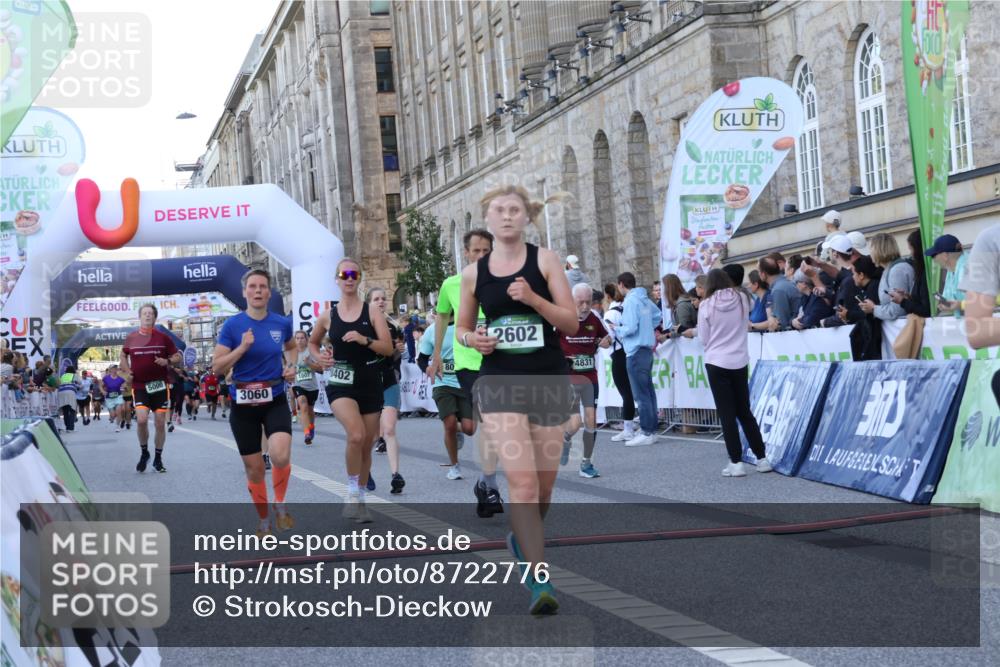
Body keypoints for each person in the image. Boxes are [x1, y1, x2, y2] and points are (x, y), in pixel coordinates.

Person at [455, 185, 577, 616]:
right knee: (522, 484)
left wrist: (533, 298)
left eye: (514, 209)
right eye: (498, 210)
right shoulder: (473, 274)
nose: (506, 216)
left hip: (547, 380)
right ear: (487, 219)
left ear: (526, 217)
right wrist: (475, 339)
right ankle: (540, 582)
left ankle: (521, 542)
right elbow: (461, 328)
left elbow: (570, 319)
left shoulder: (545, 260)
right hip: (500, 383)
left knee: (543, 490)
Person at [213, 269, 298, 536]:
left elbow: (292, 347)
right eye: (253, 286)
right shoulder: (232, 326)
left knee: (280, 453)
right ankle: (263, 521)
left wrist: (291, 365)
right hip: (243, 404)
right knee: (254, 469)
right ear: (244, 292)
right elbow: (216, 367)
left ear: (269, 292)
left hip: (274, 398)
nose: (258, 290)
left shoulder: (281, 323)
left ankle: (280, 504)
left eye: (263, 286)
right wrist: (242, 348)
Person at [309, 258, 393, 523]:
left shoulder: (372, 312)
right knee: (356, 435)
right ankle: (351, 492)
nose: (349, 278)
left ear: (359, 279)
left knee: (367, 445)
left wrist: (364, 339)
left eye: (353, 274)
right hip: (341, 383)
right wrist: (319, 357)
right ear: (336, 279)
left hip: (370, 382)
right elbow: (312, 343)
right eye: (344, 274)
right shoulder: (328, 315)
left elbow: (388, 348)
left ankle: (360, 498)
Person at [430, 228, 505, 518]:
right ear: (466, 252)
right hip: (467, 363)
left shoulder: (501, 279)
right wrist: (436, 355)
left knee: (496, 426)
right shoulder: (452, 284)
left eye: (487, 250)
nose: (482, 256)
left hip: (498, 360)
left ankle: (485, 484)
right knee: (489, 422)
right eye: (477, 251)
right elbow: (442, 318)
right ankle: (491, 486)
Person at [696, 269, 770, 477]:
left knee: (727, 414)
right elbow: (753, 309)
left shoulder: (706, 305)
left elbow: (703, 337)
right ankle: (762, 457)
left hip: (717, 361)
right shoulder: (742, 298)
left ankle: (736, 462)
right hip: (739, 360)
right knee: (744, 411)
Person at [121, 306, 181, 473]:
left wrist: (167, 361)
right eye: (144, 313)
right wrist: (127, 371)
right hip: (140, 385)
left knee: (160, 422)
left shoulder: (163, 337)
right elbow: (123, 355)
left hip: (159, 385)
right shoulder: (131, 337)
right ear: (139, 317)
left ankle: (158, 458)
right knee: (141, 420)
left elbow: (178, 357)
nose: (147, 316)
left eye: (150, 314)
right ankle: (144, 452)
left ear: (155, 318)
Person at [560, 283, 611, 478]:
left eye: (588, 302)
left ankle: (586, 463)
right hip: (569, 377)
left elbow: (607, 338)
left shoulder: (594, 318)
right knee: (575, 422)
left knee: (591, 420)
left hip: (590, 377)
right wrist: (564, 359)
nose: (584, 306)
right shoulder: (562, 318)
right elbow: (549, 346)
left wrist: (605, 341)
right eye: (580, 302)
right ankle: (564, 439)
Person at [418, 316, 470, 480]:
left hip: (465, 381)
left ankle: (458, 430)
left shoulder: (468, 324)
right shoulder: (432, 330)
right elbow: (422, 359)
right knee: (449, 423)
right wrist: (428, 369)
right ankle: (454, 466)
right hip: (443, 383)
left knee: (470, 428)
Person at [616, 271, 662, 447]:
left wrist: (617, 329)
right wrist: (647, 328)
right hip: (646, 349)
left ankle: (646, 431)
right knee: (648, 391)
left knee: (641, 394)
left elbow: (630, 328)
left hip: (635, 350)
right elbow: (657, 316)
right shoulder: (644, 299)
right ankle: (651, 430)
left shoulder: (630, 301)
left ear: (621, 284)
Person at [368, 287, 406, 493]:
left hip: (389, 380)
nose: (381, 302)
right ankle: (366, 470)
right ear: (369, 302)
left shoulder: (394, 326)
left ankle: (396, 475)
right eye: (376, 299)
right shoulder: (364, 326)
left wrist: (398, 351)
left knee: (389, 428)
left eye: (383, 298)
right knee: (372, 436)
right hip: (369, 384)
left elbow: (396, 356)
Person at [602, 284, 638, 442]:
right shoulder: (629, 309)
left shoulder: (610, 313)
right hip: (633, 351)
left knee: (626, 393)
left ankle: (628, 429)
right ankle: (639, 426)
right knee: (637, 391)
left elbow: (609, 339)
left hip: (619, 354)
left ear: (607, 296)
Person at [835, 256, 884, 360]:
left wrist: (848, 314)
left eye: (854, 273)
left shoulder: (873, 287)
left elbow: (868, 314)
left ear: (861, 275)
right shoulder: (869, 287)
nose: (852, 277)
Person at [860, 233, 914, 322]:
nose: (870, 254)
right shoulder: (889, 269)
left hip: (904, 328)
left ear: (879, 250)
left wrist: (873, 308)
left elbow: (898, 311)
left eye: (871, 249)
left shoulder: (897, 270)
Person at [291, 330, 322, 445]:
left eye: (302, 338)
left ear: (306, 339)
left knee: (310, 411)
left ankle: (311, 426)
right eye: (297, 338)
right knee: (303, 407)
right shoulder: (292, 353)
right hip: (298, 385)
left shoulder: (311, 352)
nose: (299, 340)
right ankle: (307, 433)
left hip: (312, 386)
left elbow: (320, 369)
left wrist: (309, 363)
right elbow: (287, 367)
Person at [891, 230, 932, 317]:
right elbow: (921, 300)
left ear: (918, 249)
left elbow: (926, 310)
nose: (911, 254)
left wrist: (903, 301)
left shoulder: (926, 273)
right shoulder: (921, 271)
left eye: (911, 249)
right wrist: (908, 297)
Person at [926, 233, 968, 314]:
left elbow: (985, 302)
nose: (934, 260)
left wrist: (960, 305)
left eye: (934, 256)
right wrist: (947, 305)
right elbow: (950, 299)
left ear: (945, 255)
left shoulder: (967, 268)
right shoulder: (951, 270)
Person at [757, 256, 799, 330]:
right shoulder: (782, 284)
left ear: (763, 274)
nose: (758, 274)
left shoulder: (778, 290)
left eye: (758, 271)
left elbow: (780, 324)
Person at [102, 365, 127, 433]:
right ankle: (112, 417)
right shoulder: (106, 378)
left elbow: (124, 385)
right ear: (110, 370)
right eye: (113, 368)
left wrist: (124, 388)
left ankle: (117, 426)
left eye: (116, 368)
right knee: (113, 415)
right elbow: (100, 385)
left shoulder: (120, 379)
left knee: (118, 411)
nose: (115, 369)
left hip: (118, 397)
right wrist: (102, 391)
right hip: (109, 398)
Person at [56, 365, 79, 432]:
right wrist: (77, 386)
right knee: (72, 410)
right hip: (70, 393)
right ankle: (71, 428)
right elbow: (81, 384)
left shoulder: (63, 376)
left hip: (61, 392)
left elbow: (59, 383)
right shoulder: (74, 376)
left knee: (65, 410)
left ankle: (67, 426)